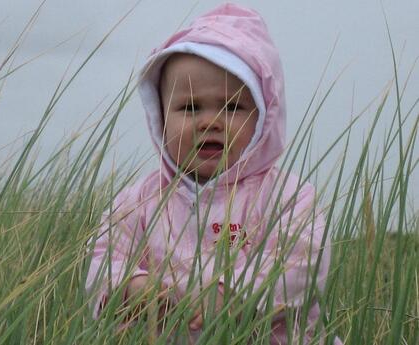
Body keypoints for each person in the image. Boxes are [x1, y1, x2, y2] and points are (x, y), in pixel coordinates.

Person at [86, 3, 341, 344]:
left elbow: (302, 262)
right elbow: (105, 256)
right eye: (189, 108)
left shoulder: (287, 196)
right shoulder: (140, 201)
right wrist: (134, 287)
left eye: (232, 107)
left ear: (263, 117)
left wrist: (229, 293)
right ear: (161, 118)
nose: (210, 121)